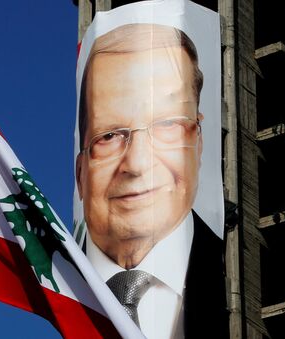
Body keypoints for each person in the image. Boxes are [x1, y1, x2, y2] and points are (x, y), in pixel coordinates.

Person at [75, 24, 228, 339]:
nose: (137, 164)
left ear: (198, 143)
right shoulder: (62, 283)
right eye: (109, 136)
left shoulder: (235, 269)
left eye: (167, 124)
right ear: (80, 172)